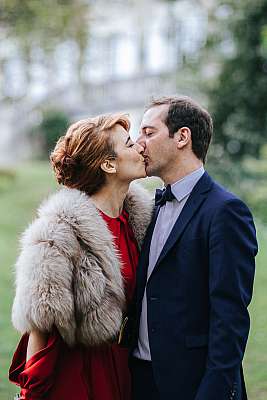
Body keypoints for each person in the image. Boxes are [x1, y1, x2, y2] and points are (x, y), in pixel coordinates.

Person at [9, 113, 154, 400]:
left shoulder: (141, 221)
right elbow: (41, 326)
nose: (139, 146)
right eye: (128, 144)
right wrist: (30, 396)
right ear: (108, 164)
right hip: (80, 377)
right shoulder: (56, 234)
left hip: (129, 368)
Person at [130, 96, 258, 400]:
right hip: (141, 381)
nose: (139, 143)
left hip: (193, 385)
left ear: (182, 137)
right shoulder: (152, 207)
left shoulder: (226, 211)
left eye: (148, 133)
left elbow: (230, 317)